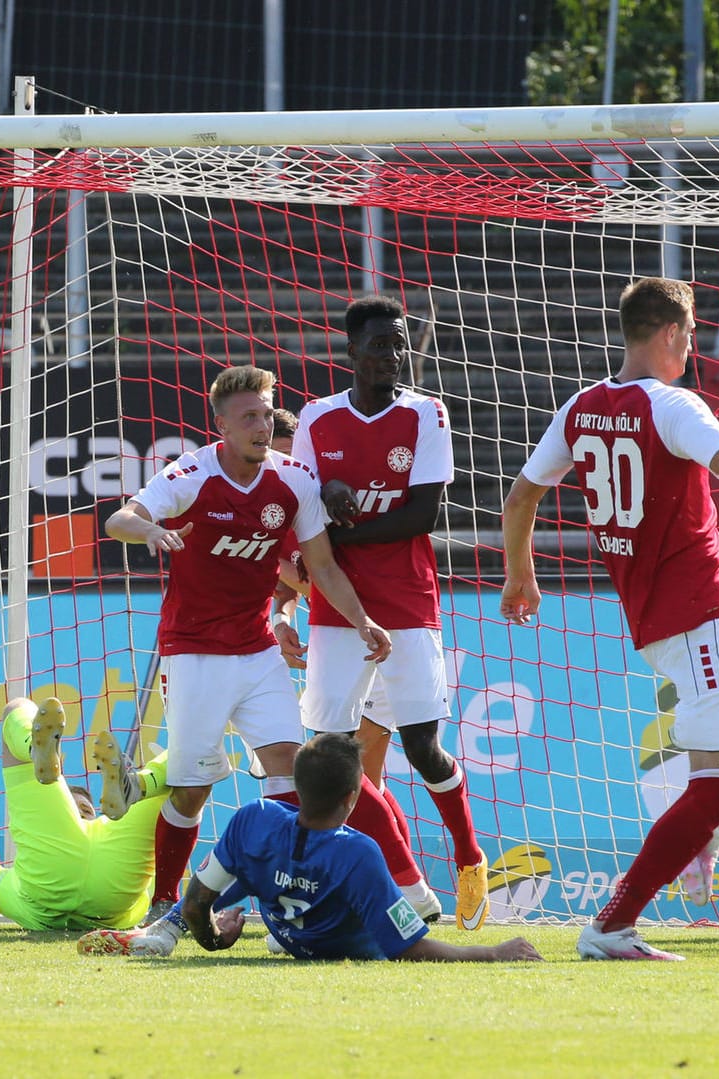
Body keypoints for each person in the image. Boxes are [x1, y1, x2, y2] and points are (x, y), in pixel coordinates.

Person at [499, 276, 719, 961]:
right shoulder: (671, 404)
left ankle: (706, 826)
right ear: (666, 334)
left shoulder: (580, 407)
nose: (692, 345)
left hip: (679, 618)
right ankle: (612, 922)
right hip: (696, 621)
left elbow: (518, 498)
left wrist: (521, 574)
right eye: (689, 333)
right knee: (716, 781)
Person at [104, 364, 444, 927]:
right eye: (249, 418)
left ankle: (282, 900)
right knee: (191, 790)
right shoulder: (191, 473)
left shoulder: (293, 480)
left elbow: (324, 566)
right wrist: (153, 530)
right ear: (223, 427)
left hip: (258, 653)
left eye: (266, 413)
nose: (262, 426)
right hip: (193, 652)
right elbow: (121, 518)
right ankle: (167, 901)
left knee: (295, 777)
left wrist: (362, 621)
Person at [289, 295, 490, 930]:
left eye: (399, 345)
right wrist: (324, 496)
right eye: (380, 345)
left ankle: (469, 855)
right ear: (351, 351)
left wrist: (333, 534)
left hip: (407, 602)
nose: (392, 356)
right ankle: (397, 880)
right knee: (330, 755)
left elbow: (420, 516)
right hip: (337, 610)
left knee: (424, 748)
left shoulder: (427, 413)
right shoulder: (316, 420)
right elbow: (301, 504)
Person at [76, 733, 542, 962]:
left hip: (285, 931)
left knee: (248, 857)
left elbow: (200, 901)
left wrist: (214, 939)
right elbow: (409, 949)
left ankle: (166, 929)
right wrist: (491, 953)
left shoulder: (253, 817)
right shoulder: (360, 852)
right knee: (392, 908)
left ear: (295, 785)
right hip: (327, 943)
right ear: (352, 798)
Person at [0, 696, 172, 930]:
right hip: (116, 893)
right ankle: (145, 782)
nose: (79, 816)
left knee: (16, 707)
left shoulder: (8, 888)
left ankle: (32, 748)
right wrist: (165, 782)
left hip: (47, 884)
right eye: (77, 810)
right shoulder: (111, 832)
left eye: (83, 811)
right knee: (181, 768)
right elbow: (165, 846)